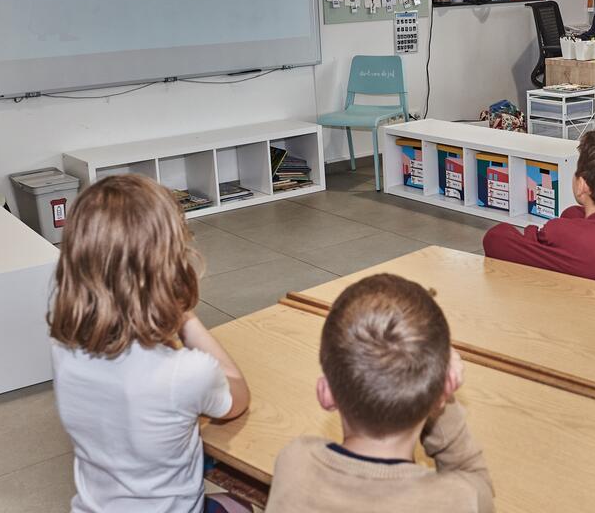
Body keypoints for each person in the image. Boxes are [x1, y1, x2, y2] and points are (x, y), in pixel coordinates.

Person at [49, 174, 251, 513]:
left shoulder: (63, 348)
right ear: (169, 266)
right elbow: (238, 396)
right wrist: (185, 316)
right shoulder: (185, 372)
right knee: (241, 504)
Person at [265, 274, 494, 513]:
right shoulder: (458, 500)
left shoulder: (296, 461)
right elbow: (474, 479)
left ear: (326, 394)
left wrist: (438, 390)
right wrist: (442, 398)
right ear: (440, 397)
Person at [482, 126, 595, 291]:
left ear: (582, 185)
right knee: (571, 213)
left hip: (587, 313)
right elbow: (572, 216)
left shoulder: (565, 233)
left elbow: (495, 239)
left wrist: (540, 232)